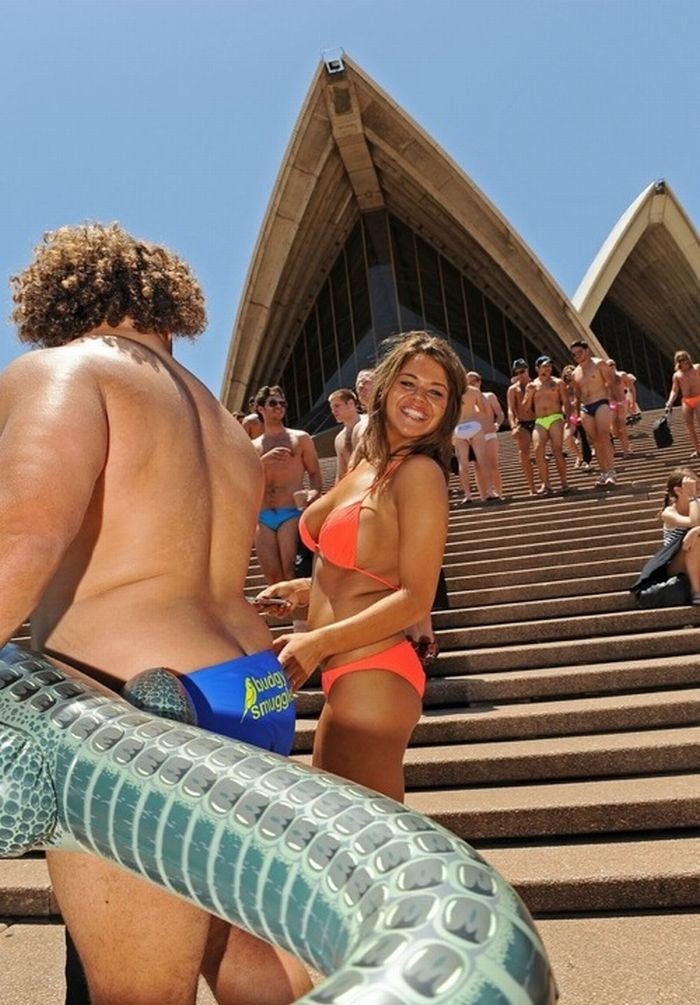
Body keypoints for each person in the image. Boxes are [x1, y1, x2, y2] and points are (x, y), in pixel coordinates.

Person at [2, 224, 311, 1005]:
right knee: (248, 958)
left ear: (56, 298)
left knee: (141, 993)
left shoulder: (64, 371)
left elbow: (26, 536)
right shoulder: (219, 421)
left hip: (135, 707)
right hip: (252, 692)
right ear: (167, 303)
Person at [256, 331, 465, 801]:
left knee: (369, 856)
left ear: (448, 409)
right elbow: (360, 569)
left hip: (375, 671)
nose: (418, 399)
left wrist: (316, 642)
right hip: (348, 672)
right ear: (386, 387)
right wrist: (303, 589)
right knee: (340, 849)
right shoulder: (367, 465)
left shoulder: (420, 474)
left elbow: (415, 595)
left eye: (436, 392)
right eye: (408, 383)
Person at [252, 386, 323, 585]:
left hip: (290, 511)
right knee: (272, 577)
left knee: (291, 572)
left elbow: (315, 472)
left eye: (282, 403)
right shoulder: (253, 446)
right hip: (262, 515)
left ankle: (299, 616)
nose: (279, 407)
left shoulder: (299, 438)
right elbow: (245, 480)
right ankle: (286, 615)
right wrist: (263, 462)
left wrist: (314, 492)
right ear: (260, 408)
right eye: (273, 403)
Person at [631, 467, 700, 605]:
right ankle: (696, 591)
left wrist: (697, 530)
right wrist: (692, 498)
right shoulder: (668, 513)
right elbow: (694, 521)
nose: (697, 487)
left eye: (697, 483)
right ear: (679, 490)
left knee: (696, 533)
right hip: (676, 564)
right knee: (696, 537)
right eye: (693, 484)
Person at [570, 338, 616, 486]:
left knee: (604, 435)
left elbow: (612, 382)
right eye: (574, 354)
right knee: (595, 440)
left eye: (579, 352)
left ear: (587, 351)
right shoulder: (575, 373)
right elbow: (577, 395)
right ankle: (603, 472)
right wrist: (576, 414)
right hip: (585, 407)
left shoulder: (598, 364)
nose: (577, 356)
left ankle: (611, 471)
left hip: (601, 401)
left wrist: (614, 402)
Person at [522, 356, 570, 494]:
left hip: (555, 416)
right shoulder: (531, 385)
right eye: (544, 366)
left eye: (549, 366)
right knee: (538, 449)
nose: (547, 368)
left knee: (557, 450)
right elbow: (525, 407)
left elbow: (566, 401)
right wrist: (530, 394)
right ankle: (546, 484)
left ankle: (563, 481)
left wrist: (569, 418)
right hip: (540, 420)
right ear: (537, 368)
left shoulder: (558, 382)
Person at [468, 371, 504, 498]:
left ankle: (499, 492)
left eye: (475, 380)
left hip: (489, 433)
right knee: (477, 467)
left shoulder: (489, 396)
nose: (472, 384)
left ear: (480, 382)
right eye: (469, 382)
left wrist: (497, 423)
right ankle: (483, 495)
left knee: (493, 464)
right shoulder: (468, 401)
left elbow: (499, 413)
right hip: (475, 436)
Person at [507, 359, 537, 494]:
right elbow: (510, 409)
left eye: (522, 371)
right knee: (523, 455)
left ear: (527, 369)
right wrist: (513, 426)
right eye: (517, 372)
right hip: (523, 423)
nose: (520, 374)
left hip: (537, 421)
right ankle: (532, 487)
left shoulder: (535, 385)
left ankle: (545, 483)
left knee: (540, 451)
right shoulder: (513, 389)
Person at [664, 350, 700, 457]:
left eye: (684, 359)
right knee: (689, 425)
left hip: (698, 398)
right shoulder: (677, 375)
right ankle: (697, 450)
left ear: (688, 359)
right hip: (686, 400)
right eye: (680, 360)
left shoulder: (697, 368)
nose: (682, 362)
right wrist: (669, 402)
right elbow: (674, 390)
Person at [561, 364, 592, 471]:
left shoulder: (579, 385)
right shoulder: (564, 388)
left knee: (584, 437)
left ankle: (586, 460)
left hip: (581, 413)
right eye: (567, 376)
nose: (569, 378)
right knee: (567, 437)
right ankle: (578, 456)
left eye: (571, 375)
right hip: (570, 416)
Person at [328, 387, 361, 482]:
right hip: (355, 488)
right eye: (332, 408)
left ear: (351, 404)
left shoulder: (370, 424)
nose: (333, 411)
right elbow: (341, 474)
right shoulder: (339, 439)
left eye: (337, 406)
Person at [606, 359, 633, 457]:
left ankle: (626, 449)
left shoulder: (621, 375)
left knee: (622, 425)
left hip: (621, 401)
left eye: (613, 364)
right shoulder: (605, 379)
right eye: (609, 365)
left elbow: (631, 387)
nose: (612, 366)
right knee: (614, 429)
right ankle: (626, 444)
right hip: (612, 403)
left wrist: (632, 401)